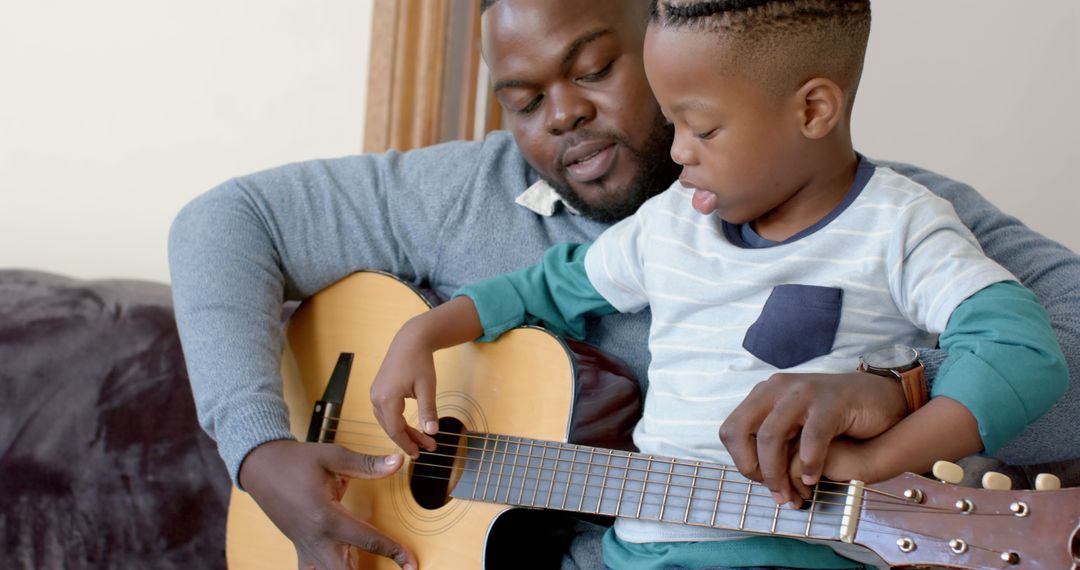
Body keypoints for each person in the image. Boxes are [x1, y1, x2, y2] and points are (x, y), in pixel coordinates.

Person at [167, 0, 1080, 568]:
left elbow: (1054, 338)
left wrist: (897, 387)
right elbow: (223, 222)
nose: (561, 112)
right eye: (521, 99)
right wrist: (257, 451)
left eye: (596, 68)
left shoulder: (885, 217)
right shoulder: (462, 190)